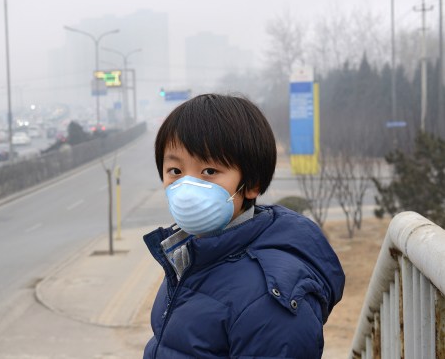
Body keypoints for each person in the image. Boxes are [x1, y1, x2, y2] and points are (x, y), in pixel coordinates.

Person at [143, 93, 345, 358]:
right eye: (175, 172)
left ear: (251, 184)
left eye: (209, 171)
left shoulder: (270, 299)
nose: (186, 188)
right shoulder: (190, 257)